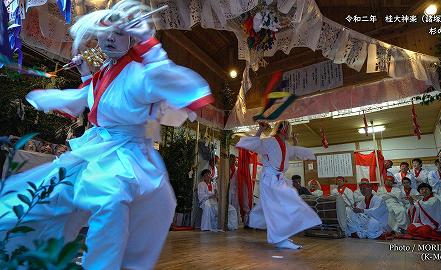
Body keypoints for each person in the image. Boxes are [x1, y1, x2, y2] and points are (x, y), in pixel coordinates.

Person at [0, 1, 213, 269]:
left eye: (120, 32)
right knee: (53, 192)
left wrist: (150, 45)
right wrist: (79, 78)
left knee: (110, 199)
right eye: (106, 31)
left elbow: (166, 79)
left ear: (133, 37)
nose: (111, 37)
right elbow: (89, 99)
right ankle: (34, 252)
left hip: (129, 153)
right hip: (98, 146)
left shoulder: (142, 72)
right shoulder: (106, 72)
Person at [236, 121, 321, 249]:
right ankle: (279, 239)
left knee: (287, 206)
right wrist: (260, 129)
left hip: (279, 180)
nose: (290, 133)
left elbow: (293, 152)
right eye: (289, 130)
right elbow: (255, 144)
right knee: (278, 210)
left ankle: (282, 237)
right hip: (270, 179)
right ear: (283, 130)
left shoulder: (285, 145)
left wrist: (295, 140)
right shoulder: (270, 141)